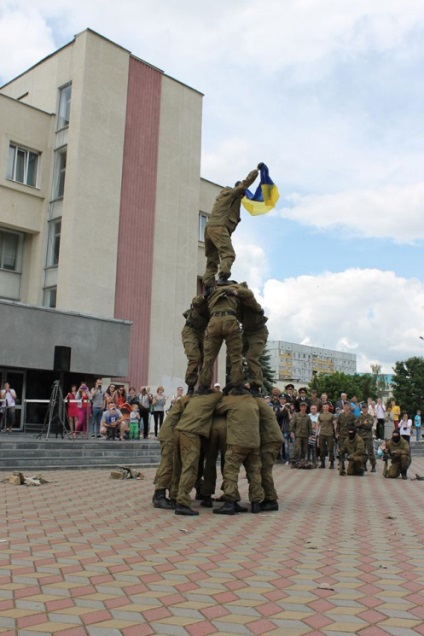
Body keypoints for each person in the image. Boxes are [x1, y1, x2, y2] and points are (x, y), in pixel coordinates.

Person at [202, 166, 260, 289]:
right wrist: (257, 171)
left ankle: (208, 286)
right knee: (228, 254)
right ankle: (223, 278)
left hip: (209, 230)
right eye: (243, 194)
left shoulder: (223, 199)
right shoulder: (231, 195)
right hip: (219, 227)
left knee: (212, 260)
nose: (244, 196)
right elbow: (244, 184)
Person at [214, 392, 264, 515]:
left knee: (230, 471)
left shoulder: (230, 400)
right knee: (254, 472)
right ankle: (256, 503)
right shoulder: (252, 400)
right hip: (253, 442)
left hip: (237, 442)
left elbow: (217, 410)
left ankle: (230, 503)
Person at [197, 282, 244, 394]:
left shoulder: (212, 293)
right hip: (230, 320)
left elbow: (196, 304)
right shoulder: (236, 291)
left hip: (214, 321)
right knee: (235, 356)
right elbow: (249, 298)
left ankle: (203, 386)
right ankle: (237, 386)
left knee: (208, 358)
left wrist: (205, 295)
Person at [181, 295, 209, 393]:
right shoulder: (204, 301)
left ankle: (204, 385)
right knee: (195, 358)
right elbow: (196, 301)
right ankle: (191, 386)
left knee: (206, 359)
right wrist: (206, 297)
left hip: (201, 333)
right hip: (190, 330)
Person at [356, 403, 376, 472]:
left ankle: (373, 465)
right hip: (361, 436)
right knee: (362, 451)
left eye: (365, 408)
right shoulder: (359, 417)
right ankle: (363, 465)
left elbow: (369, 426)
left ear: (367, 409)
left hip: (368, 436)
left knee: (370, 451)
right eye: (363, 408)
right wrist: (363, 423)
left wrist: (361, 424)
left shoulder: (370, 417)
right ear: (361, 409)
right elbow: (356, 424)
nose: (364, 409)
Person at [318, 403, 335, 468]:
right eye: (324, 407)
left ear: (328, 407)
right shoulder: (320, 415)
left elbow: (334, 424)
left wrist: (335, 432)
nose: (325, 408)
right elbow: (318, 424)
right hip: (322, 433)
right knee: (322, 449)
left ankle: (332, 463)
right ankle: (322, 463)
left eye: (326, 407)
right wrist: (317, 433)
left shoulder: (331, 415)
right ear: (322, 408)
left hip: (329, 434)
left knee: (330, 448)